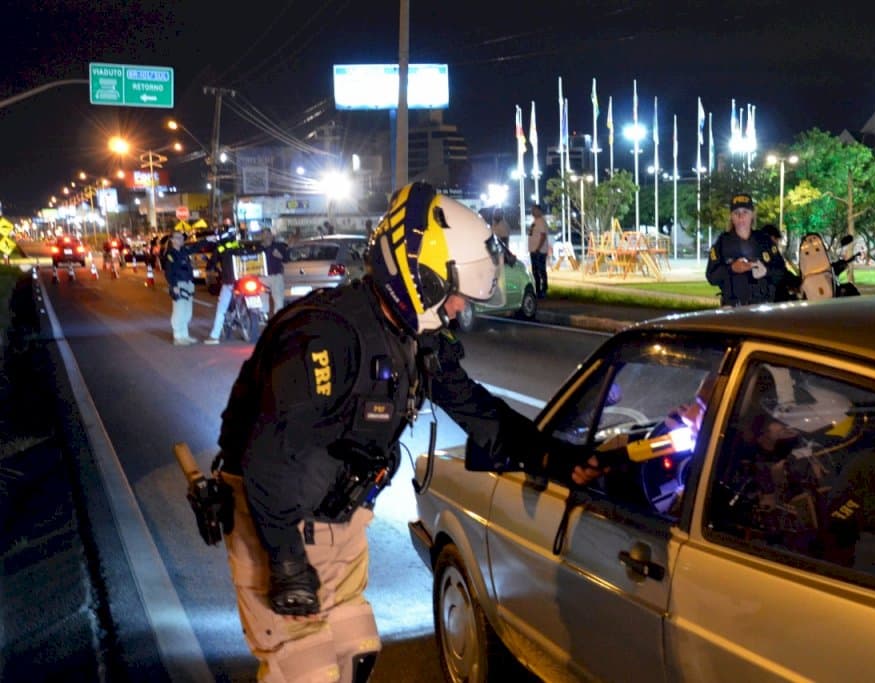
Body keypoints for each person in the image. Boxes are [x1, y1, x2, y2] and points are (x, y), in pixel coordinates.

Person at [209, 182, 595, 683]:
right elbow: (267, 459)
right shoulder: (326, 336)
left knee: (354, 651)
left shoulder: (415, 339)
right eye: (454, 293)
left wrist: (557, 459)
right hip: (275, 519)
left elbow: (479, 411)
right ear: (422, 276)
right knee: (303, 670)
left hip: (340, 516)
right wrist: (284, 561)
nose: (458, 307)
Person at [705, 193, 787, 307]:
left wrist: (766, 271)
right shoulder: (722, 243)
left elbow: (782, 272)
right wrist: (731, 269)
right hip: (733, 309)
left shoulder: (765, 241)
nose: (741, 217)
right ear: (731, 217)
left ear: (752, 214)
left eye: (745, 212)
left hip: (762, 308)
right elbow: (711, 277)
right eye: (736, 213)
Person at [205, 225, 245, 344]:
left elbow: (212, 263)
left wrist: (210, 266)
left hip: (230, 281)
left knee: (221, 308)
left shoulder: (221, 248)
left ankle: (214, 336)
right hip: (243, 279)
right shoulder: (239, 245)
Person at [163, 230, 199, 345]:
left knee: (187, 311)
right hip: (178, 284)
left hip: (188, 283)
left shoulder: (184, 251)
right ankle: (178, 336)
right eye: (178, 238)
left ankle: (185, 335)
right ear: (172, 240)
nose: (181, 240)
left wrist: (208, 240)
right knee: (179, 310)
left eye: (182, 238)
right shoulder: (170, 254)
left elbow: (196, 247)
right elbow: (169, 272)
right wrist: (173, 286)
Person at [759, 223, 802, 302]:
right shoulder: (766, 255)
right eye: (776, 241)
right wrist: (798, 282)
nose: (777, 244)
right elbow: (781, 274)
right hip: (773, 300)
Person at [259, 228, 289, 316]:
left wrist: (280, 256)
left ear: (272, 235)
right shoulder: (258, 248)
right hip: (262, 278)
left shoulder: (279, 246)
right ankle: (263, 316)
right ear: (262, 236)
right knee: (262, 301)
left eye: (268, 234)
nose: (267, 236)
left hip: (276, 277)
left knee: (279, 301)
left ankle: (278, 319)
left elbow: (287, 259)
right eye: (264, 234)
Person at [528, 204, 549, 299]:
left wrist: (538, 249)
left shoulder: (541, 222)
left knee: (541, 271)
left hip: (539, 252)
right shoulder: (535, 222)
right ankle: (537, 290)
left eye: (534, 210)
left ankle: (543, 290)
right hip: (534, 251)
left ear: (539, 211)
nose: (532, 212)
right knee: (535, 272)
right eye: (532, 210)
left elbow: (543, 236)